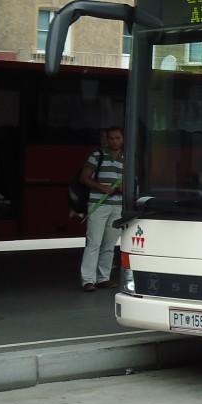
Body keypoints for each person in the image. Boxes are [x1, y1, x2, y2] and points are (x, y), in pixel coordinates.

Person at [79, 125, 125, 292]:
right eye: (111, 138)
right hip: (98, 205)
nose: (114, 141)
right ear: (107, 139)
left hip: (117, 206)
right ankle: (88, 280)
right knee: (94, 243)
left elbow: (132, 182)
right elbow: (84, 178)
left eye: (117, 138)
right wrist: (101, 187)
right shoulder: (97, 155)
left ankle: (103, 278)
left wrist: (123, 188)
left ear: (123, 139)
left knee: (109, 244)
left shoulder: (127, 158)